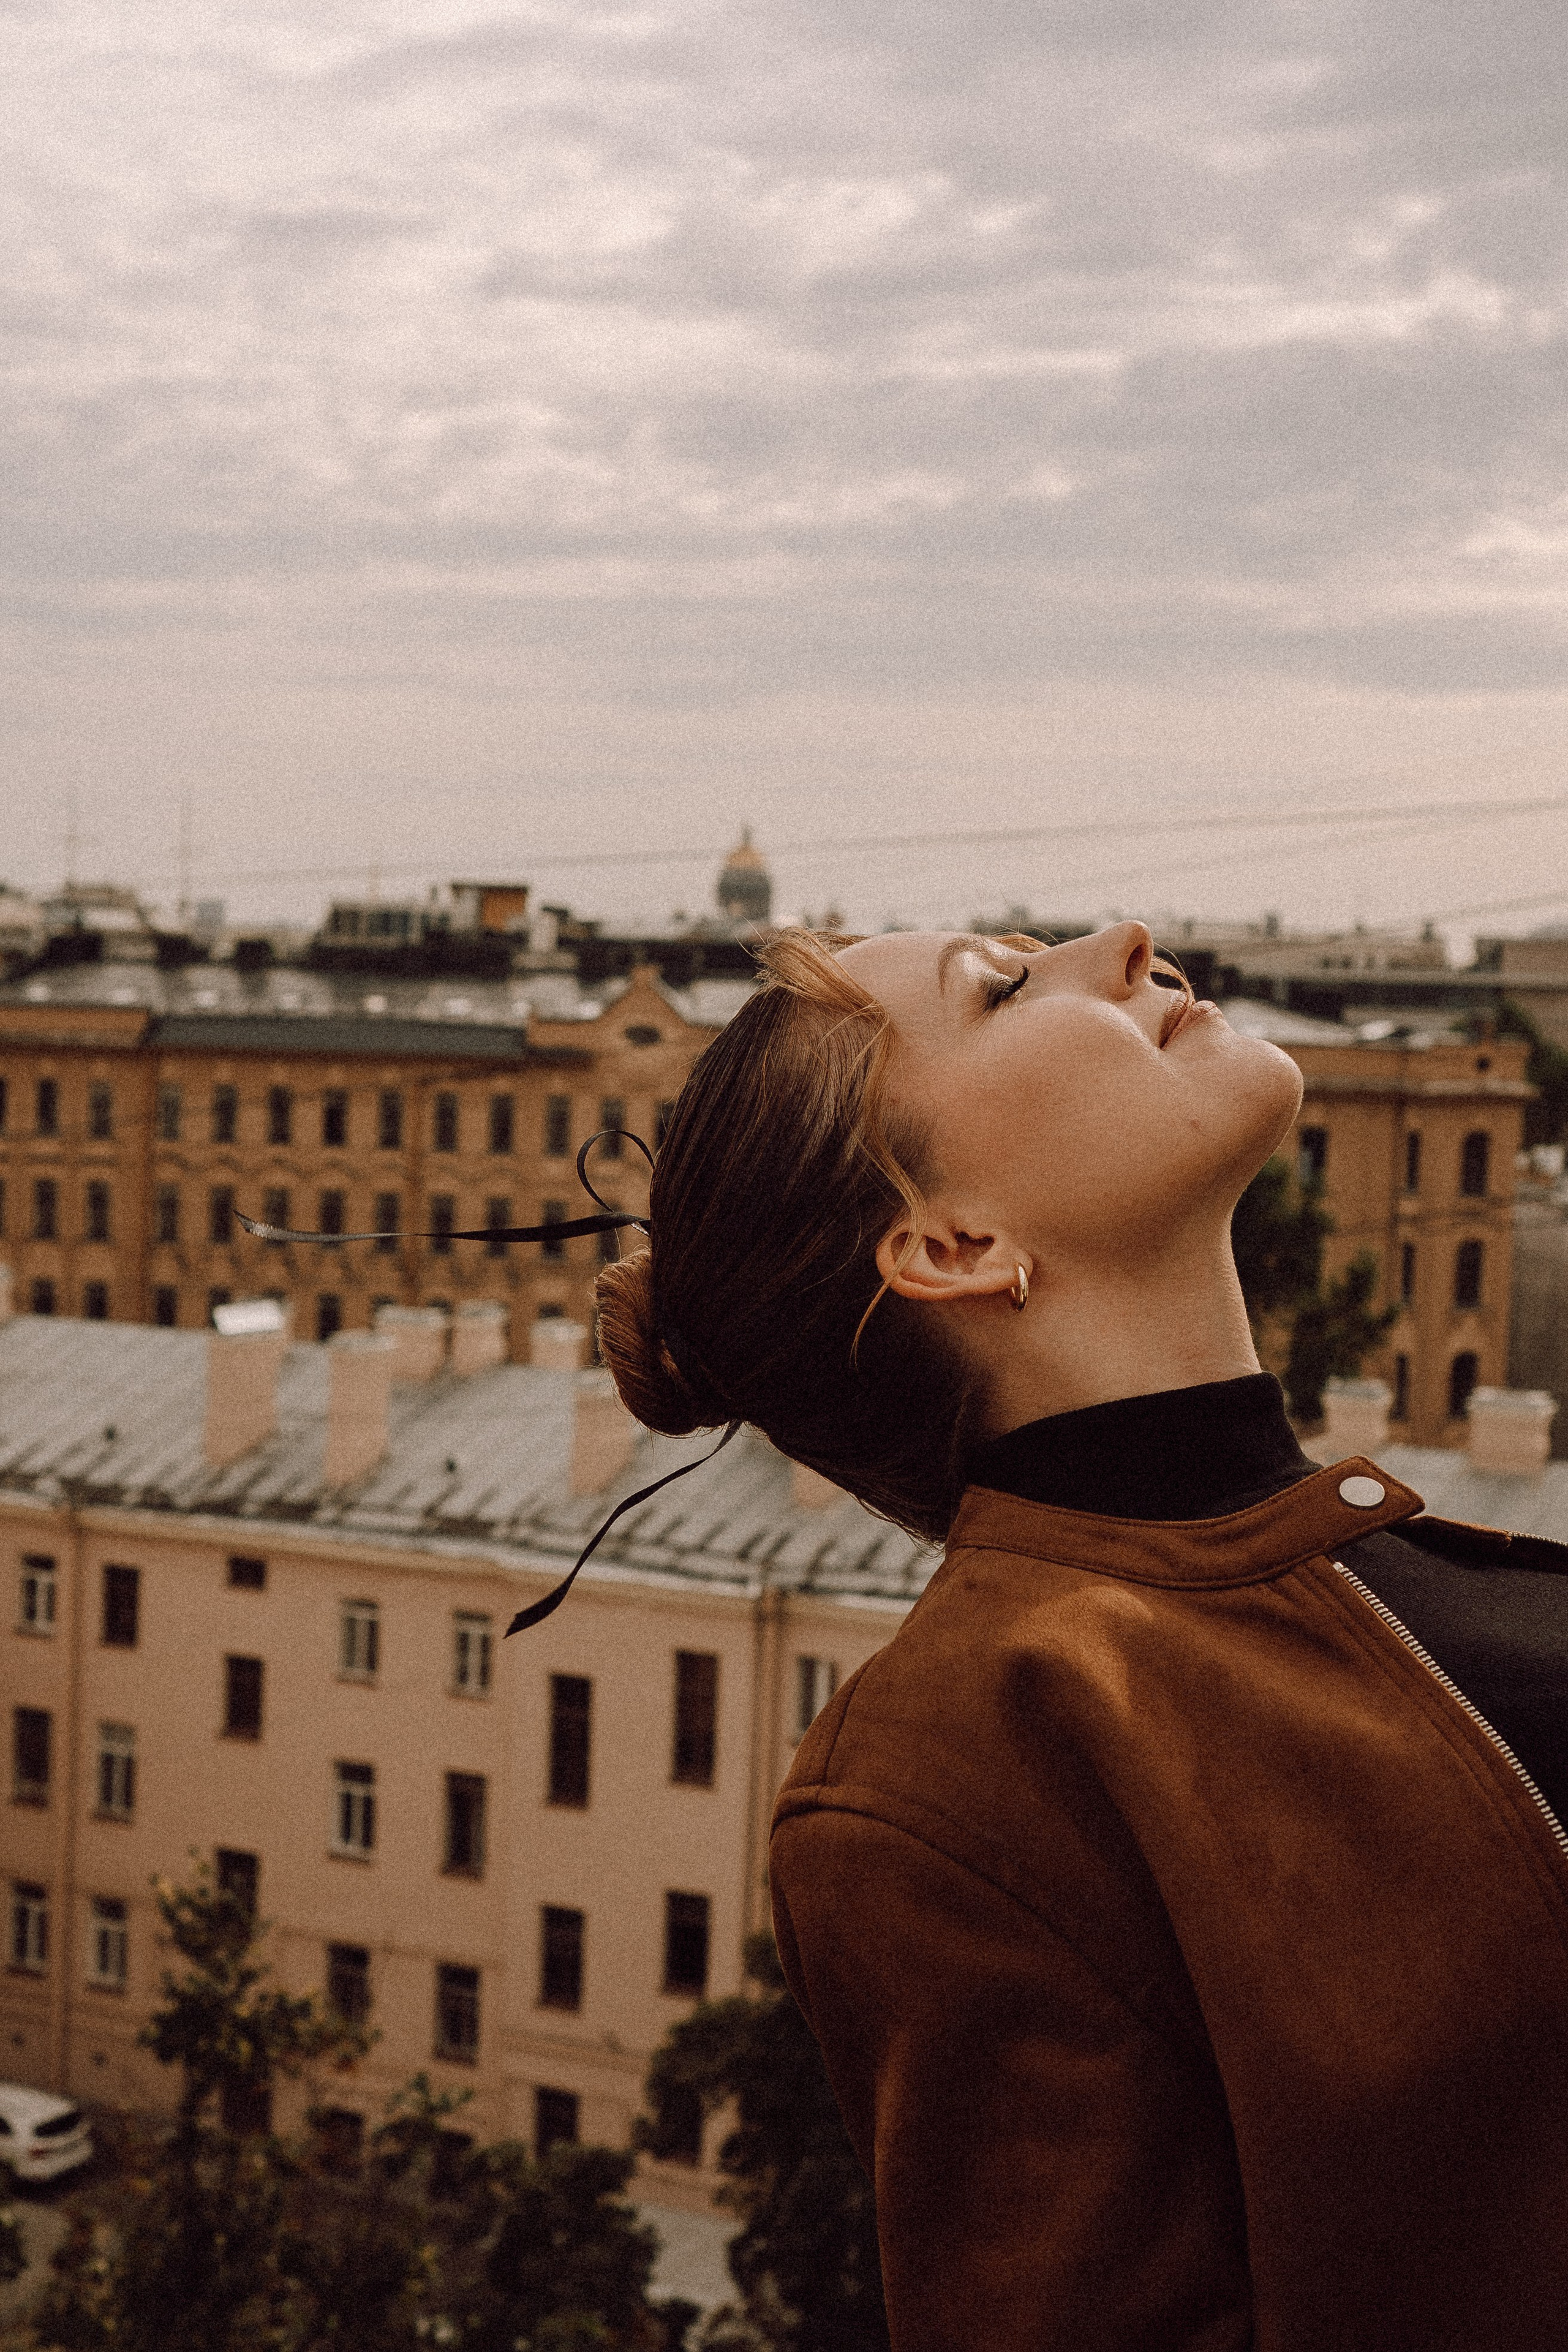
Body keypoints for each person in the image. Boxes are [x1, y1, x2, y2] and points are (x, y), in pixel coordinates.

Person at [595, 920, 1568, 2352]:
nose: (1122, 940)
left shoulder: (1397, 1558)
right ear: (952, 1244)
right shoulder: (962, 1762)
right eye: (1001, 989)